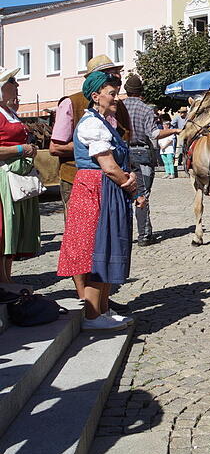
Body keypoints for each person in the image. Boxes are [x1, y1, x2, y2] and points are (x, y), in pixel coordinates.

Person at [56, 72, 137, 331]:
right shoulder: (91, 124)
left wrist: (127, 179)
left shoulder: (103, 122)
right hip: (94, 191)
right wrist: (130, 184)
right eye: (112, 93)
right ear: (95, 96)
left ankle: (103, 309)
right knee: (97, 249)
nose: (116, 98)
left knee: (107, 246)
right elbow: (109, 166)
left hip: (104, 190)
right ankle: (92, 315)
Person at [49, 55, 131, 215]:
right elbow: (55, 147)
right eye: (110, 73)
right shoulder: (71, 103)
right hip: (79, 180)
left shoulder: (118, 105)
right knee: (87, 226)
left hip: (114, 180)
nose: (117, 76)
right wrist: (95, 146)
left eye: (117, 72)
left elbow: (126, 138)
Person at [123, 74, 179, 247]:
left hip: (122, 153)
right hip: (141, 154)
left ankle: (122, 235)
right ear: (141, 92)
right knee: (142, 195)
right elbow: (154, 134)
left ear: (126, 90)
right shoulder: (145, 109)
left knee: (123, 195)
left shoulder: (118, 107)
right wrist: (174, 131)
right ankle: (144, 235)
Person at [0, 67, 41, 283]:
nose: (16, 85)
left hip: (17, 176)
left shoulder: (10, 112)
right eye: (11, 81)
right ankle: (3, 280)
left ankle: (7, 278)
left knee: (14, 228)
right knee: (5, 226)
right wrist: (19, 149)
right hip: (4, 176)